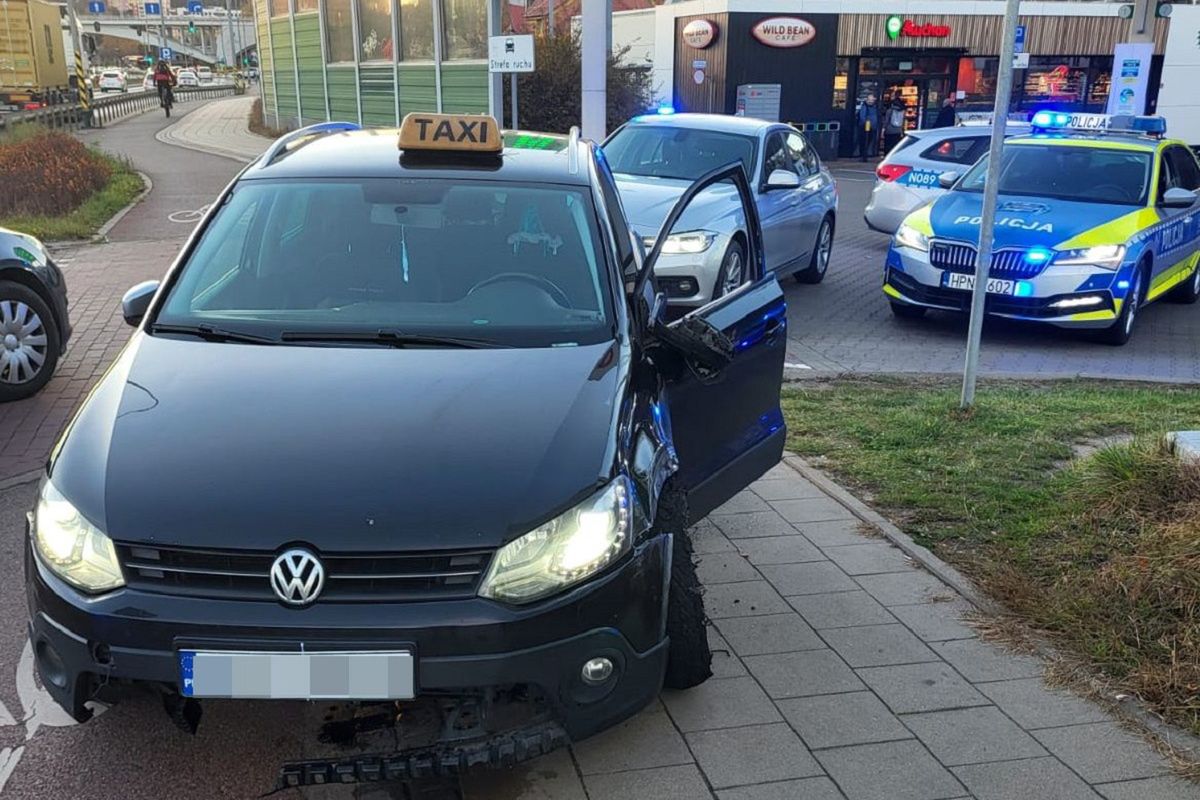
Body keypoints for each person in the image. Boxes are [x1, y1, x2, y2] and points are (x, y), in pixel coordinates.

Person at [856, 93, 879, 162]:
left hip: (872, 127)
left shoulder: (874, 107)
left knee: (868, 141)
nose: (871, 101)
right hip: (865, 127)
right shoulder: (864, 107)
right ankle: (863, 156)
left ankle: (864, 155)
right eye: (870, 99)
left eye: (872, 99)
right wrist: (865, 124)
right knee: (864, 141)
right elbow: (862, 117)